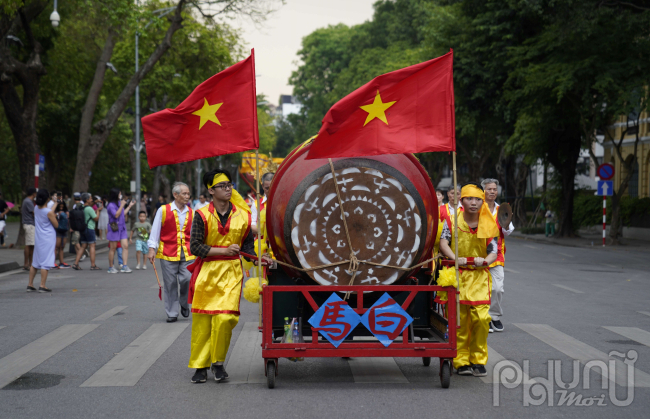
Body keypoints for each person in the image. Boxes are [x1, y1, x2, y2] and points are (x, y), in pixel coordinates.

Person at [185, 169, 271, 384]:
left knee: (225, 318)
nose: (228, 188)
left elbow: (247, 248)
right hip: (206, 273)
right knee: (203, 321)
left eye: (229, 184)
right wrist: (223, 251)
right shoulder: (201, 214)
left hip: (232, 273)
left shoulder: (243, 216)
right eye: (222, 186)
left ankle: (218, 362)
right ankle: (200, 366)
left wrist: (261, 259)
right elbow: (195, 247)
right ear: (211, 190)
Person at [439, 183, 499, 377]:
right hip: (458, 276)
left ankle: (478, 359)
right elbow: (443, 243)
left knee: (481, 319)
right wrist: (455, 258)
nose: (474, 203)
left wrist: (485, 261)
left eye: (478, 200)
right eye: (469, 199)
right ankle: (461, 360)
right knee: (459, 321)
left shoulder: (488, 222)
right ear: (461, 200)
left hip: (480, 277)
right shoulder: (451, 220)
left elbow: (493, 251)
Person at [147, 182, 195, 323]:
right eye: (184, 193)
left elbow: (194, 234)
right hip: (168, 252)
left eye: (188, 193)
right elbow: (155, 231)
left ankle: (184, 302)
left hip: (188, 252)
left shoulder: (192, 212)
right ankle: (172, 312)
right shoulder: (163, 210)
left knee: (187, 279)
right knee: (170, 283)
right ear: (175, 195)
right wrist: (151, 249)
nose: (187, 196)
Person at [481, 179, 515, 333]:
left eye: (495, 189)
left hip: (497, 254)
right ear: (483, 191)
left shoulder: (502, 209)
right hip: (478, 253)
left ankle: (494, 316)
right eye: (489, 189)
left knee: (497, 288)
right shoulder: (477, 206)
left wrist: (506, 223)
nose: (493, 192)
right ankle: (484, 318)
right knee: (481, 288)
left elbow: (508, 231)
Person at [27, 189, 58, 292]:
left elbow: (48, 211)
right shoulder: (48, 212)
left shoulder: (36, 208)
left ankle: (30, 284)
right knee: (46, 262)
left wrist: (56, 203)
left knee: (35, 262)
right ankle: (42, 285)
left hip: (39, 237)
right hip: (48, 238)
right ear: (47, 199)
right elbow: (56, 224)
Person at [107, 188, 135, 273]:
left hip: (122, 228)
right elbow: (116, 215)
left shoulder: (119, 203)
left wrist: (129, 206)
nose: (121, 195)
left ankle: (124, 266)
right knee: (113, 248)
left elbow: (122, 214)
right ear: (116, 195)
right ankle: (111, 267)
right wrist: (122, 205)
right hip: (114, 228)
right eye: (119, 193)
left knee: (125, 246)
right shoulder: (110, 205)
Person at [72, 193, 100, 270]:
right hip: (90, 229)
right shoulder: (89, 209)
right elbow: (96, 218)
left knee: (83, 246)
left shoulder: (82, 207)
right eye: (90, 198)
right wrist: (98, 211)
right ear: (87, 200)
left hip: (83, 229)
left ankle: (75, 263)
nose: (92, 199)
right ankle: (93, 265)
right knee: (92, 246)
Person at [22, 188, 37, 271]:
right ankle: (26, 263)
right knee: (29, 244)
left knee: (31, 245)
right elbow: (34, 213)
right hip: (30, 225)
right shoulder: (28, 201)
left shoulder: (26, 201)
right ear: (33, 194)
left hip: (29, 224)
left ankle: (30, 263)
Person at [54, 202, 71, 268]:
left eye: (62, 207)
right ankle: (53, 262)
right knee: (56, 247)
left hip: (64, 230)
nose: (61, 208)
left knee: (62, 247)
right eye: (60, 207)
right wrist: (57, 214)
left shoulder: (66, 212)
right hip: (57, 230)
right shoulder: (55, 212)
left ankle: (61, 262)